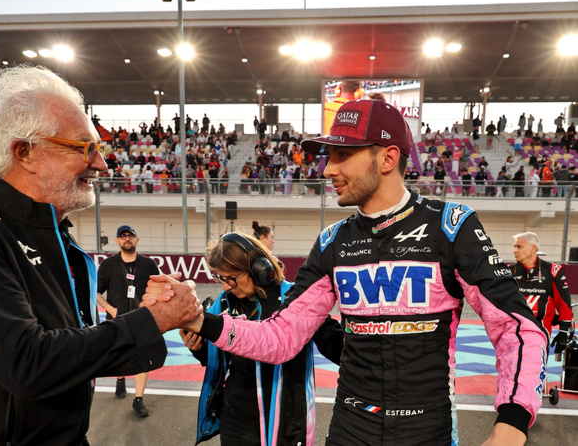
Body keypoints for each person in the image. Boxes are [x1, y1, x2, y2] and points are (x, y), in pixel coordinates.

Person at [146, 99, 547, 446]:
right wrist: (198, 317)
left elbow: (517, 329)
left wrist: (513, 419)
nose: (328, 169)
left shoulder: (452, 225)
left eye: (342, 156)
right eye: (329, 156)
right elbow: (283, 337)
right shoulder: (331, 241)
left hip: (429, 429)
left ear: (388, 158)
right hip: (350, 427)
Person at [0, 65, 201, 445]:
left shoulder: (62, 240)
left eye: (99, 149)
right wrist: (152, 320)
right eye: (85, 148)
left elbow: (76, 354)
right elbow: (27, 364)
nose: (102, 164)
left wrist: (155, 321)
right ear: (25, 152)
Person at [181, 233, 342, 445]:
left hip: (287, 423)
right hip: (236, 420)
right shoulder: (224, 302)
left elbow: (337, 347)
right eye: (221, 278)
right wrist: (198, 347)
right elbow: (216, 361)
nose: (226, 287)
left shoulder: (294, 299)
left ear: (258, 270)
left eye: (232, 278)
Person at [97, 225, 160, 417]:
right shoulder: (108, 265)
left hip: (142, 319)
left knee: (142, 357)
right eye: (122, 236)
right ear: (117, 241)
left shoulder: (148, 264)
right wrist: (110, 309)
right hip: (117, 319)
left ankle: (138, 399)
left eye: (130, 235)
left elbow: (158, 288)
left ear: (137, 240)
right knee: (119, 354)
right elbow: (96, 292)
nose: (127, 239)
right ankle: (120, 378)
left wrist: (151, 306)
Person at [510, 232, 573, 355]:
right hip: (512, 333)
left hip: (539, 333)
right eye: (514, 247)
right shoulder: (509, 271)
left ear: (533, 248)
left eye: (519, 247)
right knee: (511, 372)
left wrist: (563, 332)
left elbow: (564, 305)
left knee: (534, 371)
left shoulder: (553, 271)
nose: (514, 251)